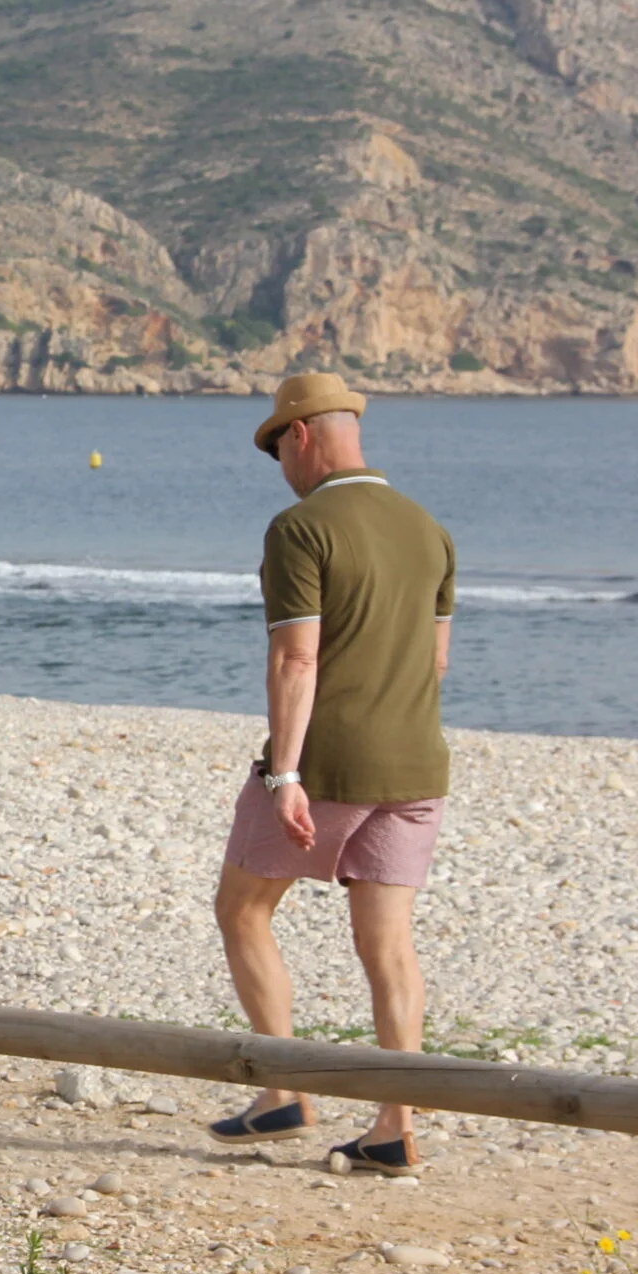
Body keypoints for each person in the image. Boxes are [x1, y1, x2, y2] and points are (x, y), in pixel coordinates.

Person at [207, 372, 456, 1174]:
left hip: (330, 760)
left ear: (302, 434)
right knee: (388, 946)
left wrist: (285, 773)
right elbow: (437, 659)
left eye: (278, 445)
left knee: (243, 907)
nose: (280, 462)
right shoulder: (429, 529)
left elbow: (296, 654)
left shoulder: (300, 529)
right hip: (418, 763)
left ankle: (282, 1089)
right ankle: (396, 1123)